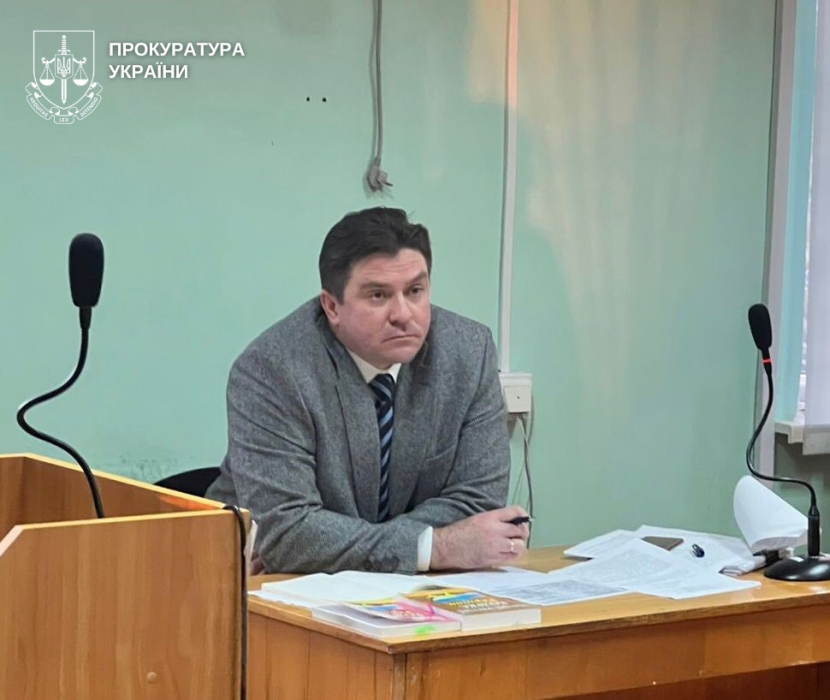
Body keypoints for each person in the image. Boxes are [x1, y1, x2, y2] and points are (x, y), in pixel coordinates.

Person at [207, 207, 529, 573]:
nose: (403, 314)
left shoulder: (468, 352)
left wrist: (335, 547)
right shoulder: (273, 369)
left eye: (415, 291)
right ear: (332, 306)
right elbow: (288, 532)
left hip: (394, 590)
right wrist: (435, 547)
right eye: (378, 295)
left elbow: (479, 502)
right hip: (254, 586)